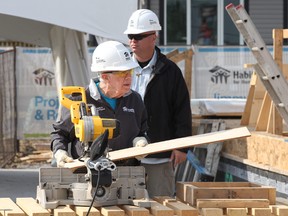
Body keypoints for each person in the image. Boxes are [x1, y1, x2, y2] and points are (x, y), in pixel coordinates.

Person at [124, 9, 192, 197]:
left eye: (138, 36)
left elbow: (182, 110)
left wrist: (182, 146)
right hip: (124, 156)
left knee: (161, 205)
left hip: (159, 155)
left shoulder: (170, 72)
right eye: (130, 36)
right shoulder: (120, 69)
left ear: (154, 36)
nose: (133, 41)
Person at [51, 40, 149, 168]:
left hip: (127, 173)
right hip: (86, 173)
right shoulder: (80, 99)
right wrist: (60, 152)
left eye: (129, 71)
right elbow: (60, 133)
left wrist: (141, 140)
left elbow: (144, 130)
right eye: (122, 73)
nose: (129, 77)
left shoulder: (134, 100)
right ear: (105, 76)